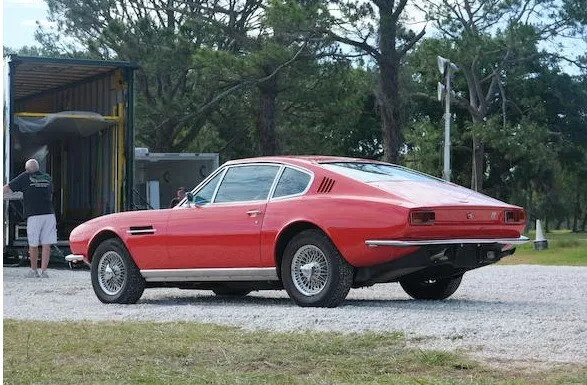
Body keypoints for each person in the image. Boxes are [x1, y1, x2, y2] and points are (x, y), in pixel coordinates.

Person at [3, 159, 57, 278]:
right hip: (49, 214)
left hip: (34, 215)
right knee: (46, 244)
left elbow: (8, 188)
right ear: (38, 168)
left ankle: (33, 271)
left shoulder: (25, 176)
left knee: (33, 244)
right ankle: (44, 271)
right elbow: (50, 192)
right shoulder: (47, 177)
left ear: (27, 169)